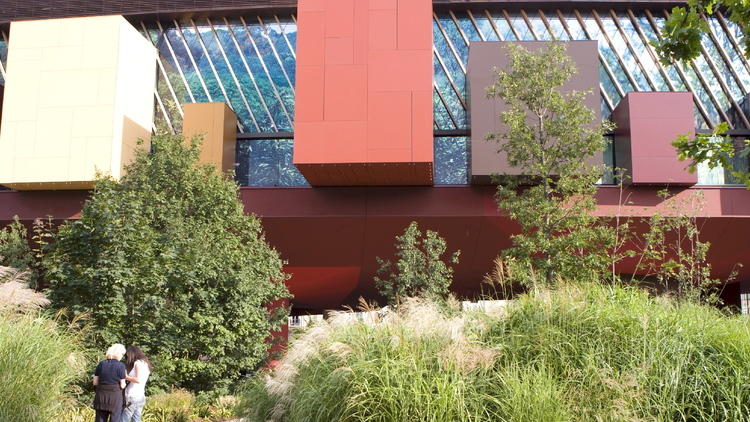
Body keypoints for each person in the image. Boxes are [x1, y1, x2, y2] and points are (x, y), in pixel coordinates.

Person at [93, 344, 127, 422]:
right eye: (122, 354)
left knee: (100, 419)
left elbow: (95, 382)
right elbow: (122, 385)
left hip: (101, 396)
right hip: (115, 397)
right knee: (115, 419)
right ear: (119, 354)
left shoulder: (101, 364)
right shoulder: (120, 366)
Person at [121, 345, 152, 422]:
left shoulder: (137, 363)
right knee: (136, 419)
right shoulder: (145, 363)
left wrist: (125, 377)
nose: (128, 358)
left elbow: (138, 379)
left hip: (133, 396)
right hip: (140, 395)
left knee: (123, 419)